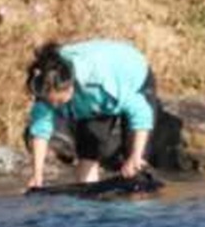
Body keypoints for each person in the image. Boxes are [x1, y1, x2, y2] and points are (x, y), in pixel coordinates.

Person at [23, 38, 161, 189]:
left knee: (135, 162)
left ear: (69, 88)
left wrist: (136, 156)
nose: (54, 107)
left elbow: (141, 114)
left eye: (59, 102)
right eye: (50, 103)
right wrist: (37, 175)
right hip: (93, 95)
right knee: (88, 151)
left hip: (133, 75)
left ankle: (138, 207)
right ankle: (87, 207)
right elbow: (40, 132)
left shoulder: (100, 84)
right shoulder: (46, 85)